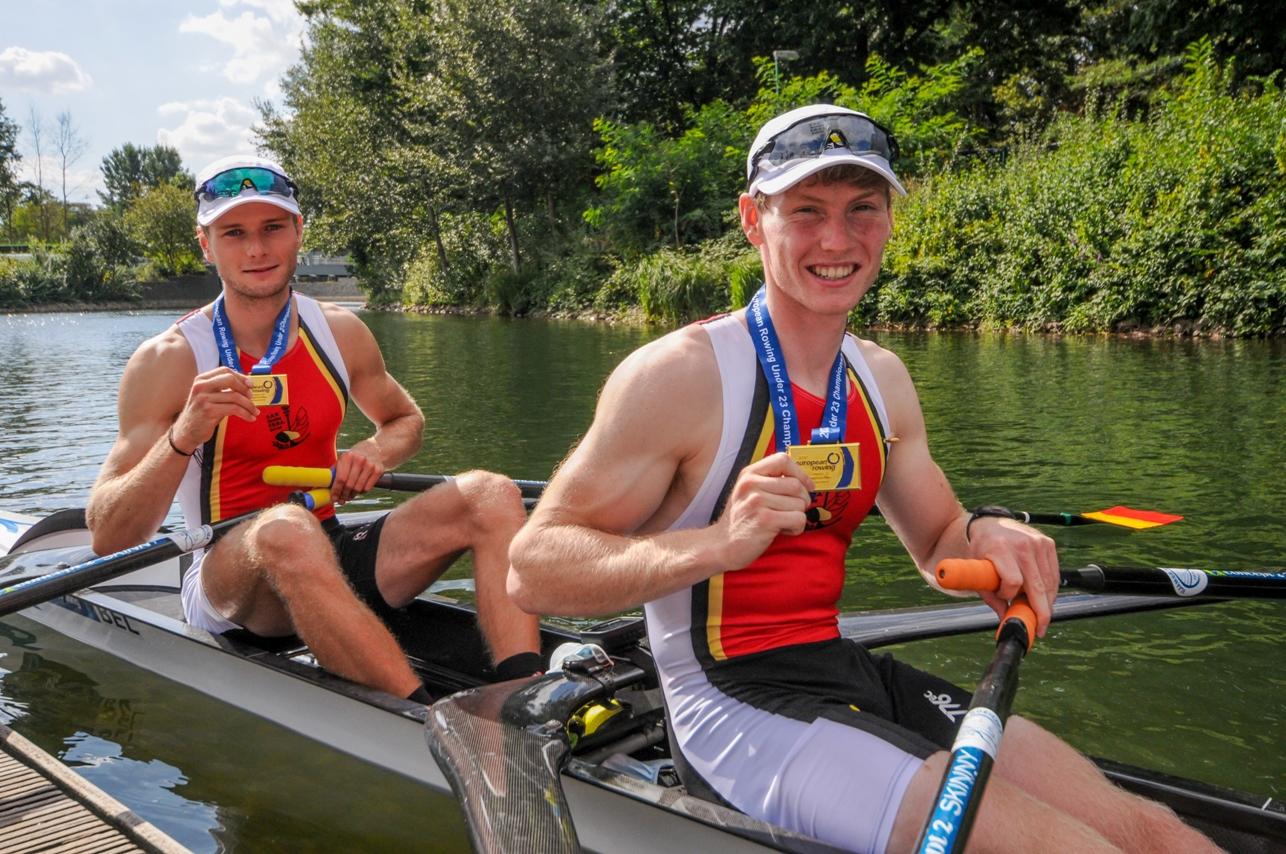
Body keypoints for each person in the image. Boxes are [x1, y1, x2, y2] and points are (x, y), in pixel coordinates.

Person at [507, 105, 1216, 852]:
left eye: (862, 210)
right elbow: (535, 569)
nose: (837, 241)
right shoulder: (679, 377)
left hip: (842, 671)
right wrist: (717, 544)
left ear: (888, 220)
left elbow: (940, 541)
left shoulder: (881, 377)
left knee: (1155, 834)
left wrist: (990, 532)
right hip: (729, 703)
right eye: (806, 211)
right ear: (753, 220)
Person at [87, 155, 541, 704]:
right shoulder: (168, 360)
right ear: (207, 245)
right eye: (234, 233)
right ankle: (426, 721)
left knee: (490, 493)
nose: (257, 249)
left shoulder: (339, 331)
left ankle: (526, 697)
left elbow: (405, 421)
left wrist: (374, 450)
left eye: (272, 228)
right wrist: (184, 434)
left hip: (325, 546)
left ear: (298, 231)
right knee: (285, 528)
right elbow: (110, 535)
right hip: (229, 581)